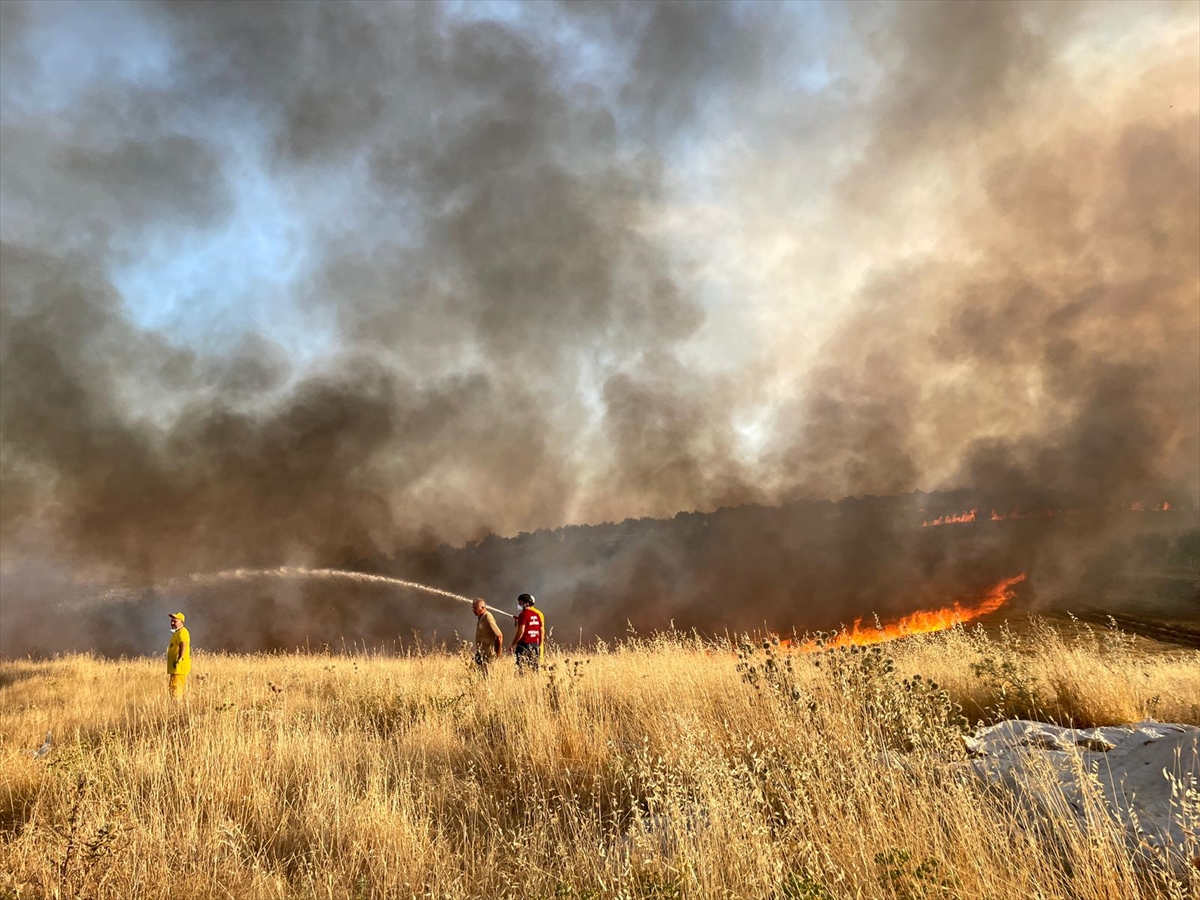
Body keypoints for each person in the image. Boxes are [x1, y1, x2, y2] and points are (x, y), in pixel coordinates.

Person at [511, 593, 544, 673]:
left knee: (521, 670)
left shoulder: (523, 615)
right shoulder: (537, 615)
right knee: (534, 670)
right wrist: (539, 643)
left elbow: (521, 631)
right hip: (535, 645)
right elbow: (541, 631)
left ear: (527, 603)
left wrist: (513, 644)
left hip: (524, 645)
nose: (519, 605)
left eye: (520, 603)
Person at [472, 598, 503, 674]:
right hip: (481, 652)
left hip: (488, 654)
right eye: (473, 608)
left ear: (482, 608)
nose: (473, 610)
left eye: (475, 608)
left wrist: (498, 652)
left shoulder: (488, 617)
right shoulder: (481, 618)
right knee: (477, 675)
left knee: (487, 675)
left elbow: (499, 635)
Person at [167, 612, 191, 701]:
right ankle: (176, 707)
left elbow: (183, 644)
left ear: (181, 621)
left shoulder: (182, 632)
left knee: (176, 690)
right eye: (171, 621)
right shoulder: (177, 633)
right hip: (176, 668)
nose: (172, 623)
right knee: (173, 689)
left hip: (179, 668)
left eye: (175, 621)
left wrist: (179, 659)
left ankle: (177, 709)